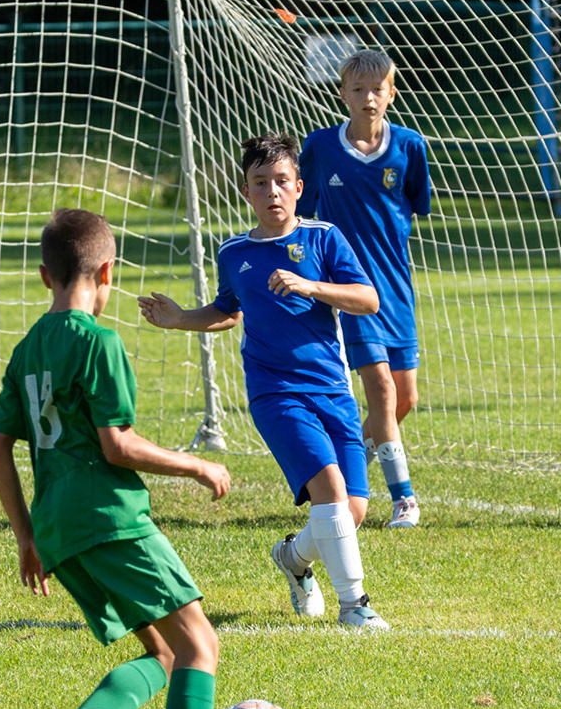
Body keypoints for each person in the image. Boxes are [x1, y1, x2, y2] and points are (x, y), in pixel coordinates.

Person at [0, 207, 255, 709]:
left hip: (58, 529)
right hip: (109, 517)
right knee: (201, 645)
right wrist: (194, 464)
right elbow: (117, 445)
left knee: (164, 653)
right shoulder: (98, 342)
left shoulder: (27, 350)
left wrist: (27, 537)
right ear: (108, 272)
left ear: (45, 276)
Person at [138, 133, 392, 632]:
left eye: (281, 181)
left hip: (333, 389)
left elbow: (368, 300)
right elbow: (228, 311)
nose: (272, 191)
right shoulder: (234, 251)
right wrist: (181, 318)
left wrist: (311, 286)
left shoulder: (324, 238)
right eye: (260, 182)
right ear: (246, 191)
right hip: (275, 392)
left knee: (352, 510)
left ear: (299, 187)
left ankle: (293, 559)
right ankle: (354, 605)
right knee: (330, 488)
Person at [296, 48, 432, 528]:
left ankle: (342, 466)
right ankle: (404, 498)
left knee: (405, 398)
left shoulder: (410, 146)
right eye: (358, 89)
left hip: (396, 286)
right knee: (380, 389)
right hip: (350, 288)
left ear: (391, 93)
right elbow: (302, 213)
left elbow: (416, 204)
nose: (368, 98)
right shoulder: (320, 147)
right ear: (342, 94)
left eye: (377, 89)